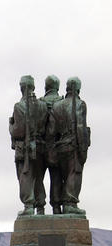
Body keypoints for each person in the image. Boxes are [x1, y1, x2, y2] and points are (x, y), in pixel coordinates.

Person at [49, 76, 91, 215]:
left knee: (60, 177)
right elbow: (80, 127)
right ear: (78, 88)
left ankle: (57, 206)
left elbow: (51, 131)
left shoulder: (57, 106)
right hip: (74, 145)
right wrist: (83, 148)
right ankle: (69, 204)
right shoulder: (80, 104)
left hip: (60, 146)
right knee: (74, 174)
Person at [9, 75, 48, 216]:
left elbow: (18, 131)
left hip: (24, 148)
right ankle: (40, 207)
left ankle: (29, 205)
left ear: (22, 87)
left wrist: (10, 126)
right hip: (41, 147)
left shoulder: (19, 106)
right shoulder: (43, 106)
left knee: (25, 177)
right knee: (39, 178)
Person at [38, 75, 64, 214]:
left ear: (46, 87)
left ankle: (39, 208)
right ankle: (56, 206)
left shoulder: (39, 102)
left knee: (38, 178)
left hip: (41, 146)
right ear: (57, 87)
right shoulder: (62, 102)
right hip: (58, 146)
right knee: (57, 177)